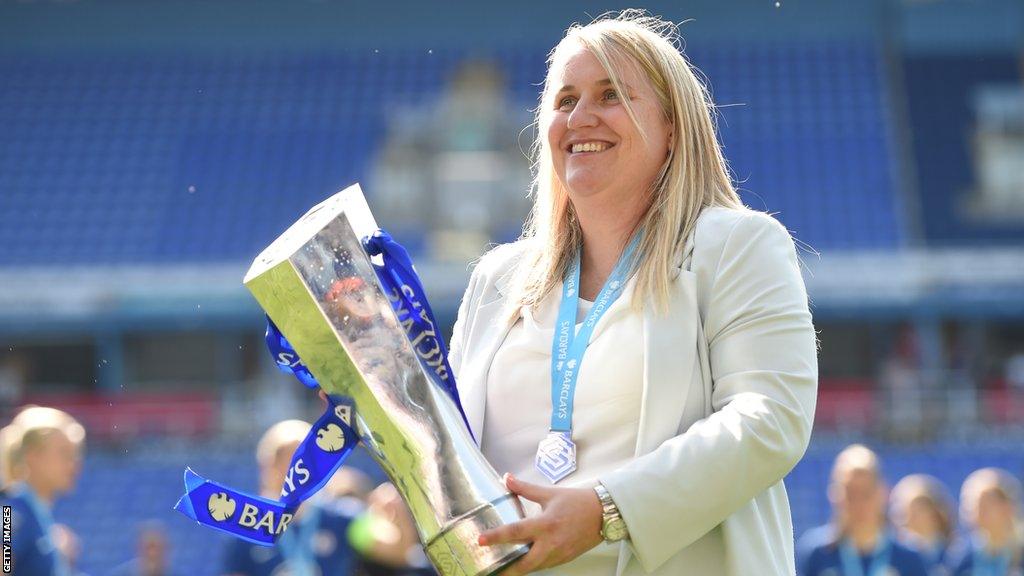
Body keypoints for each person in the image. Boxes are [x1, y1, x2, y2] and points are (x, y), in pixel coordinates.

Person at [447, 10, 818, 576]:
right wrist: (380, 398)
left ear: (672, 129)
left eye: (611, 95)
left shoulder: (735, 244)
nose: (581, 117)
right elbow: (448, 451)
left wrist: (607, 509)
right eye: (565, 99)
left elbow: (770, 419)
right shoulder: (497, 279)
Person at [221, 419, 431, 576]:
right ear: (268, 467)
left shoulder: (343, 518)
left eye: (308, 457)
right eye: (291, 458)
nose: (301, 467)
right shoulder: (246, 530)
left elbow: (400, 552)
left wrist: (397, 510)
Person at [797, 445, 929, 576]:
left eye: (866, 493)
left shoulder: (910, 557)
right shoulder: (814, 554)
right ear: (834, 495)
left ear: (883, 492)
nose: (859, 503)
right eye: (851, 493)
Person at [1, 405, 86, 576]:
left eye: (76, 455)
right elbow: (3, 568)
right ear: (33, 456)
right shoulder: (12, 513)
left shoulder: (36, 513)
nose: (75, 465)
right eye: (64, 454)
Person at [946, 468, 1023, 575]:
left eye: (989, 505)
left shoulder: (1020, 550)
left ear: (1008, 507)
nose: (981, 512)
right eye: (977, 506)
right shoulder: (962, 554)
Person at [890, 474, 955, 572]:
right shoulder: (896, 554)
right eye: (910, 510)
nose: (914, 516)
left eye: (921, 508)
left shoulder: (954, 552)